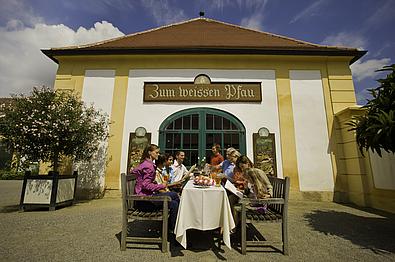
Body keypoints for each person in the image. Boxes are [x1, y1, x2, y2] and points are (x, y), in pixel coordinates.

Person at [132, 144, 179, 232]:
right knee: (174, 203)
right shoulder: (149, 166)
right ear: (150, 153)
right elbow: (145, 185)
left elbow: (140, 178)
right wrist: (161, 185)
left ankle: (173, 227)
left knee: (174, 195)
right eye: (156, 152)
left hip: (144, 198)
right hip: (144, 201)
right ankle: (174, 230)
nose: (158, 154)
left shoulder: (145, 164)